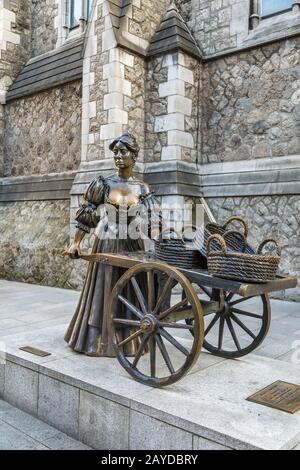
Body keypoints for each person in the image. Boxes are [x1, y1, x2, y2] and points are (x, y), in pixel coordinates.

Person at [65, 133, 162, 357]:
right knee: (104, 288)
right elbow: (86, 216)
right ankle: (97, 340)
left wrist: (158, 242)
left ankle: (130, 340)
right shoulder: (104, 184)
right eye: (116, 152)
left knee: (131, 288)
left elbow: (153, 221)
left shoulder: (142, 188)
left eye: (123, 151)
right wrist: (76, 243)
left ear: (134, 155)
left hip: (134, 242)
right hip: (107, 240)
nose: (118, 156)